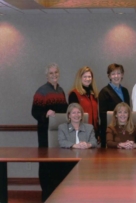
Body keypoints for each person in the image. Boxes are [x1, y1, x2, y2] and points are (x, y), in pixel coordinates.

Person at [31, 63, 68, 202]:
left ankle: (59, 195)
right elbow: (34, 112)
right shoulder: (41, 91)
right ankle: (47, 195)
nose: (54, 75)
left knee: (59, 164)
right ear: (47, 76)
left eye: (56, 73)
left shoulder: (61, 91)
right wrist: (46, 113)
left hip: (60, 134)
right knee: (46, 164)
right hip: (45, 134)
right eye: (51, 73)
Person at [98, 63, 130, 148]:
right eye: (113, 74)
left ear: (122, 75)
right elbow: (103, 117)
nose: (116, 76)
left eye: (118, 73)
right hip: (111, 133)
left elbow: (128, 113)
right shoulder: (104, 92)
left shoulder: (125, 91)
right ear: (109, 76)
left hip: (124, 131)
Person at [69, 66, 99, 141]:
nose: (87, 79)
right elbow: (73, 116)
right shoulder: (74, 94)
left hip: (93, 131)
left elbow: (96, 116)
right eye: (85, 77)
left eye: (89, 77)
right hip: (81, 131)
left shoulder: (93, 94)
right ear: (80, 78)